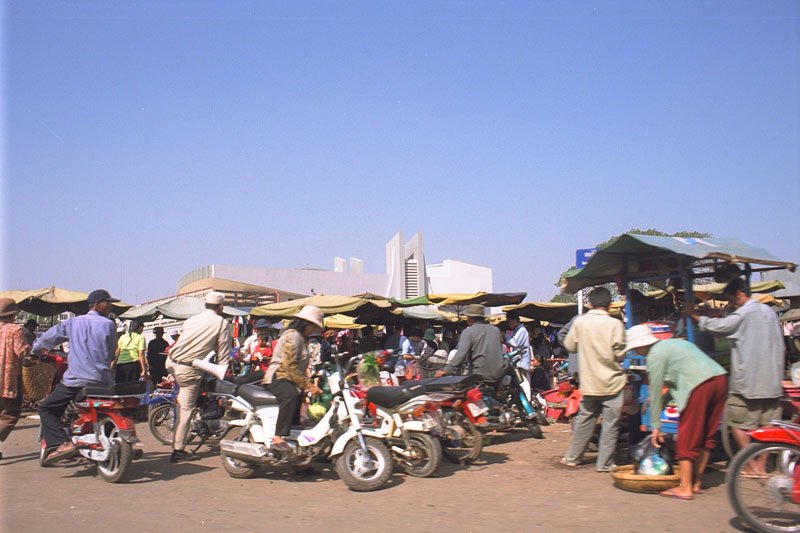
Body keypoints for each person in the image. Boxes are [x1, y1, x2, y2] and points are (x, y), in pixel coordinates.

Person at [687, 278, 785, 468]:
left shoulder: (743, 313)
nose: (730, 302)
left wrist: (694, 314)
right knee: (768, 427)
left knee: (737, 424)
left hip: (748, 383)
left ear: (740, 293)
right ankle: (762, 466)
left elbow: (719, 327)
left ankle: (751, 466)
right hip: (772, 381)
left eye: (730, 298)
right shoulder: (769, 312)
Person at [625, 324, 727, 499]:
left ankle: (685, 488)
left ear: (641, 345)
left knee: (687, 437)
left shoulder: (654, 356)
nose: (636, 352)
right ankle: (696, 483)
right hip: (720, 379)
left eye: (635, 348)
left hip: (699, 386)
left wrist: (656, 425)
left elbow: (656, 391)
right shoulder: (676, 343)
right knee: (705, 437)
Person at [33, 289, 120, 464]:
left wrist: (35, 350)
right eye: (107, 302)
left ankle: (62, 443)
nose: (110, 306)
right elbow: (112, 353)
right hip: (103, 380)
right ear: (96, 304)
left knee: (46, 409)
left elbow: (48, 338)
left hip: (76, 380)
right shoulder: (109, 325)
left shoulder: (72, 323)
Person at [560, 287, 626, 472]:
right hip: (612, 382)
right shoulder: (615, 324)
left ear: (589, 304)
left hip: (589, 383)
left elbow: (570, 345)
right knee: (610, 425)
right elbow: (620, 354)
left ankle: (572, 457)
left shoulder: (580, 322)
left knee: (584, 421)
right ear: (610, 305)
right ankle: (604, 464)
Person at [166, 291, 232, 463]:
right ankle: (178, 450)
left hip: (172, 362)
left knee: (190, 399)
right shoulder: (222, 323)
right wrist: (224, 371)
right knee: (186, 411)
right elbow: (223, 352)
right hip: (189, 369)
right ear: (221, 307)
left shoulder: (191, 320)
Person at [262, 305, 324, 452]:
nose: (314, 330)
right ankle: (278, 437)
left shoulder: (301, 339)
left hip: (290, 379)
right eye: (313, 326)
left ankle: (298, 459)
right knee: (290, 396)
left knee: (296, 419)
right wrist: (309, 386)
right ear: (306, 324)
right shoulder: (292, 335)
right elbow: (289, 366)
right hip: (278, 376)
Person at [437, 304, 506, 381]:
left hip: (479, 376)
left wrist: (446, 370)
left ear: (470, 318)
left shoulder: (468, 332)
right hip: (499, 375)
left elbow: (461, 355)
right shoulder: (496, 330)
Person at [0, 299, 30, 460]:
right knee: (11, 414)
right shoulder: (15, 330)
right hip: (7, 378)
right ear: (13, 315)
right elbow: (23, 353)